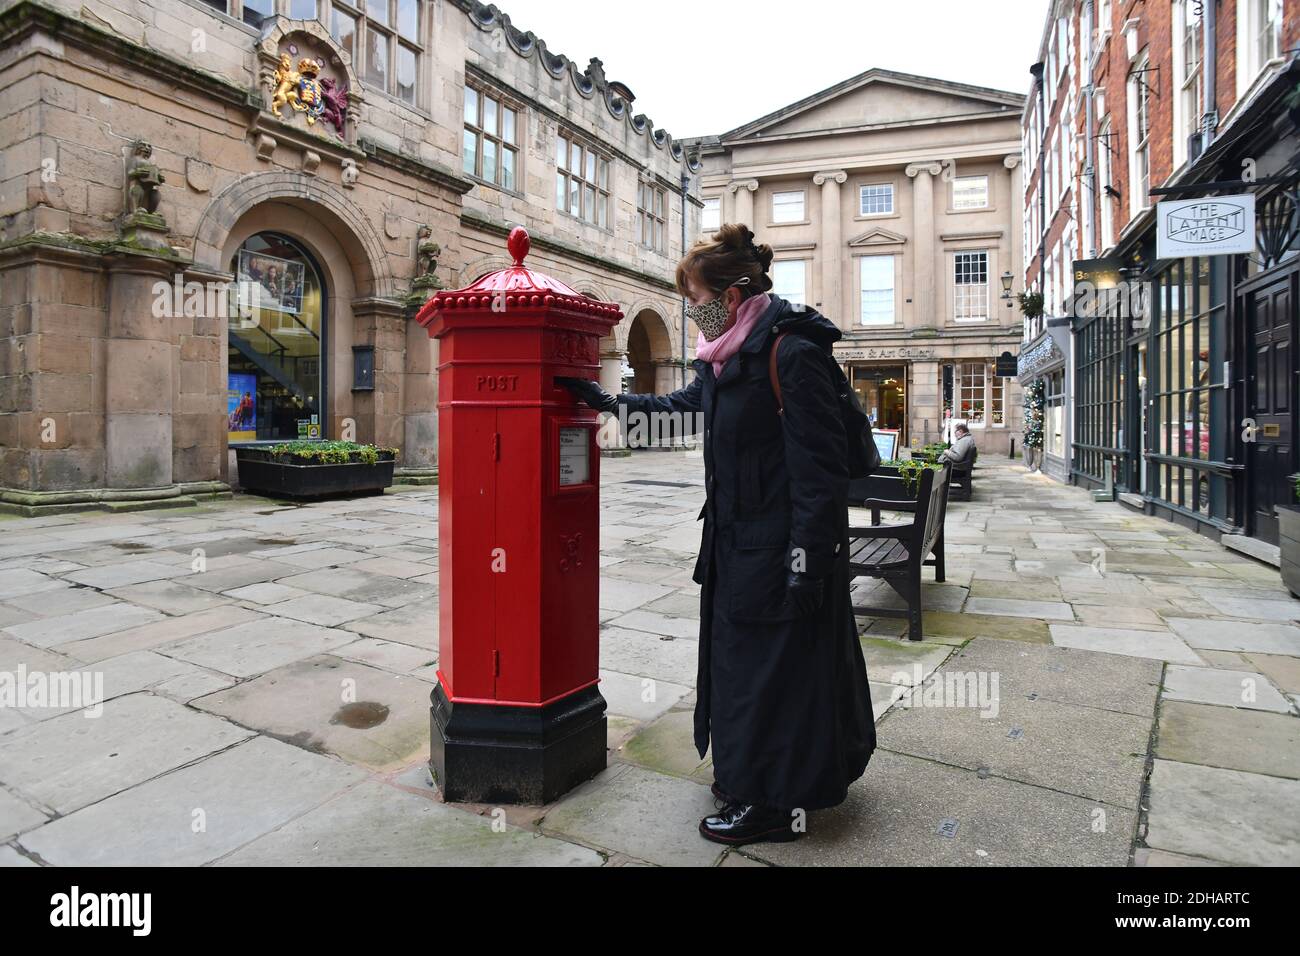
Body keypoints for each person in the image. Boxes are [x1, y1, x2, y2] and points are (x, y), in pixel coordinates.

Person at [559, 223, 875, 846]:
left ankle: (774, 805)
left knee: (772, 673)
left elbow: (821, 470)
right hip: (735, 543)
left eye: (696, 299)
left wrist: (806, 561)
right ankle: (747, 778)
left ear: (729, 298)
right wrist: (605, 401)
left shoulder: (790, 353)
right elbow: (681, 408)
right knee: (740, 667)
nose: (691, 313)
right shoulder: (728, 354)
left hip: (783, 549)